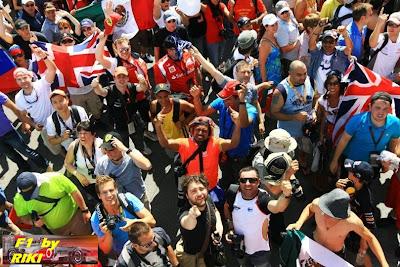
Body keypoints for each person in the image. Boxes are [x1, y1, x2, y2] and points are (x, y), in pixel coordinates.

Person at [287, 188, 389, 267]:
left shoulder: (352, 222)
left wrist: (384, 264)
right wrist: (299, 223)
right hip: (313, 246)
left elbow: (370, 238)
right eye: (324, 210)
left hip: (334, 255)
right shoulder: (318, 205)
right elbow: (310, 207)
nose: (324, 215)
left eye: (330, 215)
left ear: (341, 217)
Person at [155, 114, 240, 205]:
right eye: (198, 130)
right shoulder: (184, 144)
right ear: (192, 131)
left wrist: (238, 124)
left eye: (204, 131)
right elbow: (165, 144)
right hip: (193, 190)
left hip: (211, 187)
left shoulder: (216, 143)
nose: (200, 133)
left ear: (209, 133)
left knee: (216, 208)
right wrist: (158, 126)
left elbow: (233, 143)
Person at [224, 166, 293, 267]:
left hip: (260, 251)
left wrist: (286, 195)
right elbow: (226, 207)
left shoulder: (262, 199)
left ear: (258, 182)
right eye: (243, 180)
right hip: (239, 246)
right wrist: (230, 227)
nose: (247, 184)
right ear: (239, 181)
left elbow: (278, 207)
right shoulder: (233, 193)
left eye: (252, 180)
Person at [96, 33, 154, 141]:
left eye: (126, 49)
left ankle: (149, 131)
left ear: (130, 47)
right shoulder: (114, 63)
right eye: (121, 50)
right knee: (133, 123)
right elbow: (99, 57)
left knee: (147, 117)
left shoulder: (136, 57)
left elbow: (144, 74)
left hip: (144, 95)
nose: (124, 52)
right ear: (116, 50)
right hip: (129, 99)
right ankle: (139, 142)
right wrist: (103, 40)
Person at [330, 91, 400, 176]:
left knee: (369, 183)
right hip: (352, 161)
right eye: (377, 108)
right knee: (348, 184)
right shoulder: (357, 120)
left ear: (389, 109)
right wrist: (335, 160)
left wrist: (390, 160)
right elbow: (343, 140)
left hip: (374, 161)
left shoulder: (395, 123)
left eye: (385, 109)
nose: (381, 112)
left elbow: (394, 142)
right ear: (370, 107)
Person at [91, 175, 156, 258]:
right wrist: (108, 234)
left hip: (145, 244)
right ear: (99, 196)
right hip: (127, 254)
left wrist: (134, 222)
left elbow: (152, 221)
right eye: (104, 192)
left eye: (111, 190)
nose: (109, 195)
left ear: (116, 189)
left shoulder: (128, 199)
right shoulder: (97, 218)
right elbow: (105, 250)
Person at [92, 66, 151, 155]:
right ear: (114, 78)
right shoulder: (110, 90)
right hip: (118, 122)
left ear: (127, 78)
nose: (121, 79)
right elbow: (100, 91)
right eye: (118, 77)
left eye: (124, 77)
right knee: (123, 140)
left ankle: (141, 148)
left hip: (132, 119)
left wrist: (142, 81)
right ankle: (126, 154)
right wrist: (96, 86)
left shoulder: (131, 87)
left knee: (138, 136)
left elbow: (143, 88)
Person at [14, 45, 59, 156]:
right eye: (19, 79)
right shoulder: (18, 98)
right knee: (55, 149)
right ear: (16, 82)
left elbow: (52, 70)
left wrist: (44, 56)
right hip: (44, 127)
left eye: (25, 77)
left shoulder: (42, 84)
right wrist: (33, 125)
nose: (23, 81)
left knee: (69, 141)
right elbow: (24, 115)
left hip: (59, 118)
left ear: (30, 76)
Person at [14, 171, 92, 235]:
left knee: (89, 241)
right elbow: (23, 217)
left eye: (32, 193)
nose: (31, 196)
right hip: (55, 230)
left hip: (76, 218)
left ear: (37, 184)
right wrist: (33, 222)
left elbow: (74, 191)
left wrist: (84, 210)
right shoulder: (18, 199)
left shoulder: (55, 178)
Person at [270, 60, 314, 174]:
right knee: (287, 156)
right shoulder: (280, 91)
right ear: (290, 73)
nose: (303, 77)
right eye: (299, 75)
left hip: (306, 129)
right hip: (288, 133)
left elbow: (317, 96)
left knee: (304, 149)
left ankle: (302, 162)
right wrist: (294, 117)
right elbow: (273, 113)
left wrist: (314, 112)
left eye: (305, 73)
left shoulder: (310, 80)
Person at [175, 174, 224, 267]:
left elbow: (215, 211)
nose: (199, 194)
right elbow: (187, 223)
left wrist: (219, 226)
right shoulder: (185, 213)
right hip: (194, 257)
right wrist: (192, 216)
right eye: (193, 191)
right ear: (187, 195)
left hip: (210, 251)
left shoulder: (208, 199)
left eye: (201, 189)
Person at [95, 132, 152, 209]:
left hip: (139, 199)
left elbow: (147, 166)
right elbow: (99, 182)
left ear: (119, 146)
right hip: (120, 204)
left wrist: (125, 149)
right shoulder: (102, 163)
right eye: (105, 149)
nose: (107, 152)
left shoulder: (132, 155)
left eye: (111, 149)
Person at [336, 159, 376, 267]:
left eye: (351, 172)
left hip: (357, 226)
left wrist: (364, 241)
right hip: (345, 218)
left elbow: (370, 224)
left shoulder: (365, 198)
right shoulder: (347, 183)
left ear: (357, 178)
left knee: (359, 250)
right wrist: (338, 188)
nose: (347, 172)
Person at [0, 92, 49, 173]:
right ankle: (25, 167)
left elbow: (15, 109)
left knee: (26, 151)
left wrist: (24, 122)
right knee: (10, 155)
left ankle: (45, 165)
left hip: (8, 132)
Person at [64, 120, 104, 211]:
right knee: (96, 206)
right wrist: (78, 175)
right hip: (86, 183)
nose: (82, 136)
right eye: (80, 133)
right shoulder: (74, 146)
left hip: (102, 182)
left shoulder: (101, 146)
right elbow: (67, 164)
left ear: (93, 134)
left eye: (85, 133)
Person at [154, 36, 202, 100]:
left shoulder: (190, 54)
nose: (171, 53)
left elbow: (197, 70)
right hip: (178, 99)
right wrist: (174, 98)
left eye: (173, 49)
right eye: (168, 50)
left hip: (195, 94)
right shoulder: (160, 66)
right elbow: (161, 89)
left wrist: (201, 88)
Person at [308, 27, 352, 96]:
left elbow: (349, 48)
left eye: (331, 42)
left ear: (336, 43)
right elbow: (311, 45)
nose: (327, 44)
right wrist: (318, 27)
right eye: (325, 42)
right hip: (317, 93)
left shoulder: (340, 53)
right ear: (321, 42)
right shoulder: (318, 51)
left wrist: (345, 34)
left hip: (334, 93)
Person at [369, 11, 400, 81]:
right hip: (373, 78)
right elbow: (372, 44)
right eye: (390, 24)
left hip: (387, 80)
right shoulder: (383, 38)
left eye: (395, 25)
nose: (391, 27)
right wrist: (378, 24)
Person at [275, 1, 300, 77]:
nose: (285, 14)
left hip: (297, 56)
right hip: (289, 61)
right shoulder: (280, 27)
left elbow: (295, 24)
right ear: (278, 14)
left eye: (286, 11)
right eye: (282, 13)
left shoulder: (290, 14)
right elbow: (284, 49)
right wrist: (297, 43)